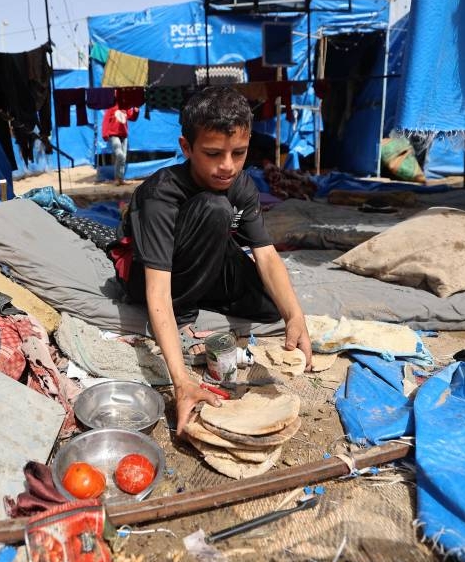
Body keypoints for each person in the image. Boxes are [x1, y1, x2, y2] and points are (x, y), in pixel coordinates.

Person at [117, 86, 312, 435]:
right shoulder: (160, 195)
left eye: (238, 153)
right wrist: (181, 381)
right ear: (187, 148)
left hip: (206, 256)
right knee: (215, 207)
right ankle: (195, 301)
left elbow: (265, 255)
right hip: (162, 277)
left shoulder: (241, 185)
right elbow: (158, 292)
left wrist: (294, 315)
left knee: (270, 308)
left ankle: (208, 288)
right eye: (212, 154)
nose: (227, 166)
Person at [102, 103, 139, 185]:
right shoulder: (111, 107)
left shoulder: (126, 107)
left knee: (123, 157)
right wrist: (105, 134)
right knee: (120, 155)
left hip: (124, 136)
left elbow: (132, 117)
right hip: (114, 134)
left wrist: (136, 111)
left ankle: (120, 179)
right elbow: (106, 120)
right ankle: (117, 178)